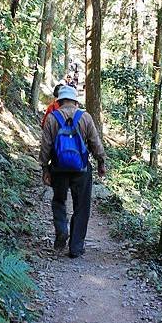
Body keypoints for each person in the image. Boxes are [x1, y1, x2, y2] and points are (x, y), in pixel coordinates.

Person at [39, 85, 106, 258]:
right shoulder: (85, 117)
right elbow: (95, 143)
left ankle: (62, 230)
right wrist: (101, 161)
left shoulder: (52, 118)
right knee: (81, 206)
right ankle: (76, 247)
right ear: (76, 101)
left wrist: (45, 169)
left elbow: (45, 146)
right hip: (81, 169)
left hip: (58, 169)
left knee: (59, 201)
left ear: (59, 101)